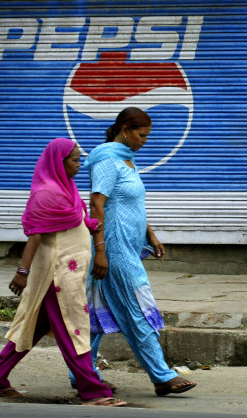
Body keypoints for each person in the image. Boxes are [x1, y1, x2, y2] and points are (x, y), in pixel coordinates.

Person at [0, 138, 126, 407]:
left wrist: (88, 226)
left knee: (35, 325)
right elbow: (36, 236)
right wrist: (22, 272)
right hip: (56, 276)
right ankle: (92, 391)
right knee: (74, 329)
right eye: (74, 160)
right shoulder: (47, 193)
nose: (79, 166)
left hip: (69, 274)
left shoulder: (66, 188)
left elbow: (72, 221)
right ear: (58, 163)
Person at [79, 107, 196, 396]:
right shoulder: (107, 160)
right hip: (114, 248)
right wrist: (101, 250)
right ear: (125, 129)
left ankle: (82, 375)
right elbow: (96, 205)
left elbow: (134, 204)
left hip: (128, 246)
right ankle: (161, 375)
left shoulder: (127, 160)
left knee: (96, 315)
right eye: (142, 135)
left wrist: (151, 235)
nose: (145, 141)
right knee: (137, 310)